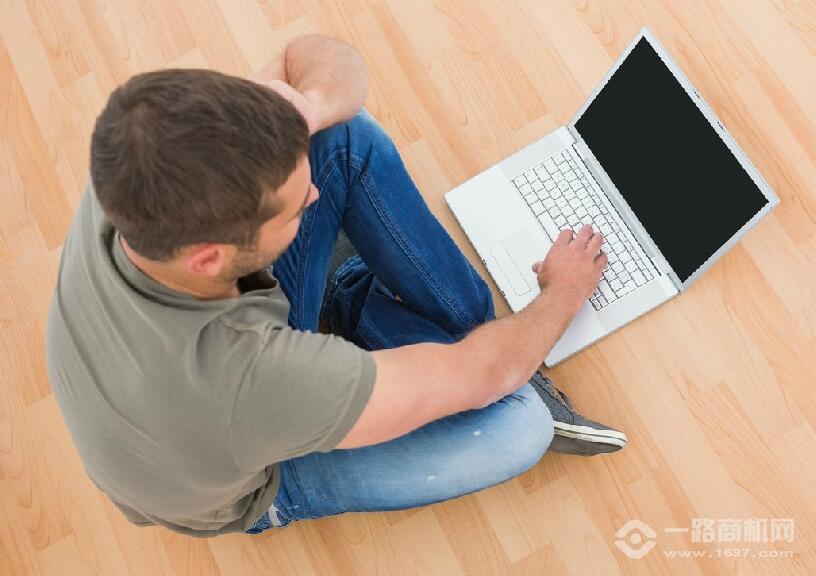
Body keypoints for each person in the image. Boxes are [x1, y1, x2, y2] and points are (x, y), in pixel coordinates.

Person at [45, 34, 626, 537]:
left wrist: (307, 107)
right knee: (521, 426)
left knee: (341, 136)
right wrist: (562, 292)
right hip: (251, 478)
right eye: (296, 206)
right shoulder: (253, 380)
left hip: (181, 397)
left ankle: (366, 305)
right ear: (209, 259)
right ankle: (403, 326)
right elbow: (484, 377)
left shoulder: (144, 156)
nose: (316, 196)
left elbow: (309, 54)